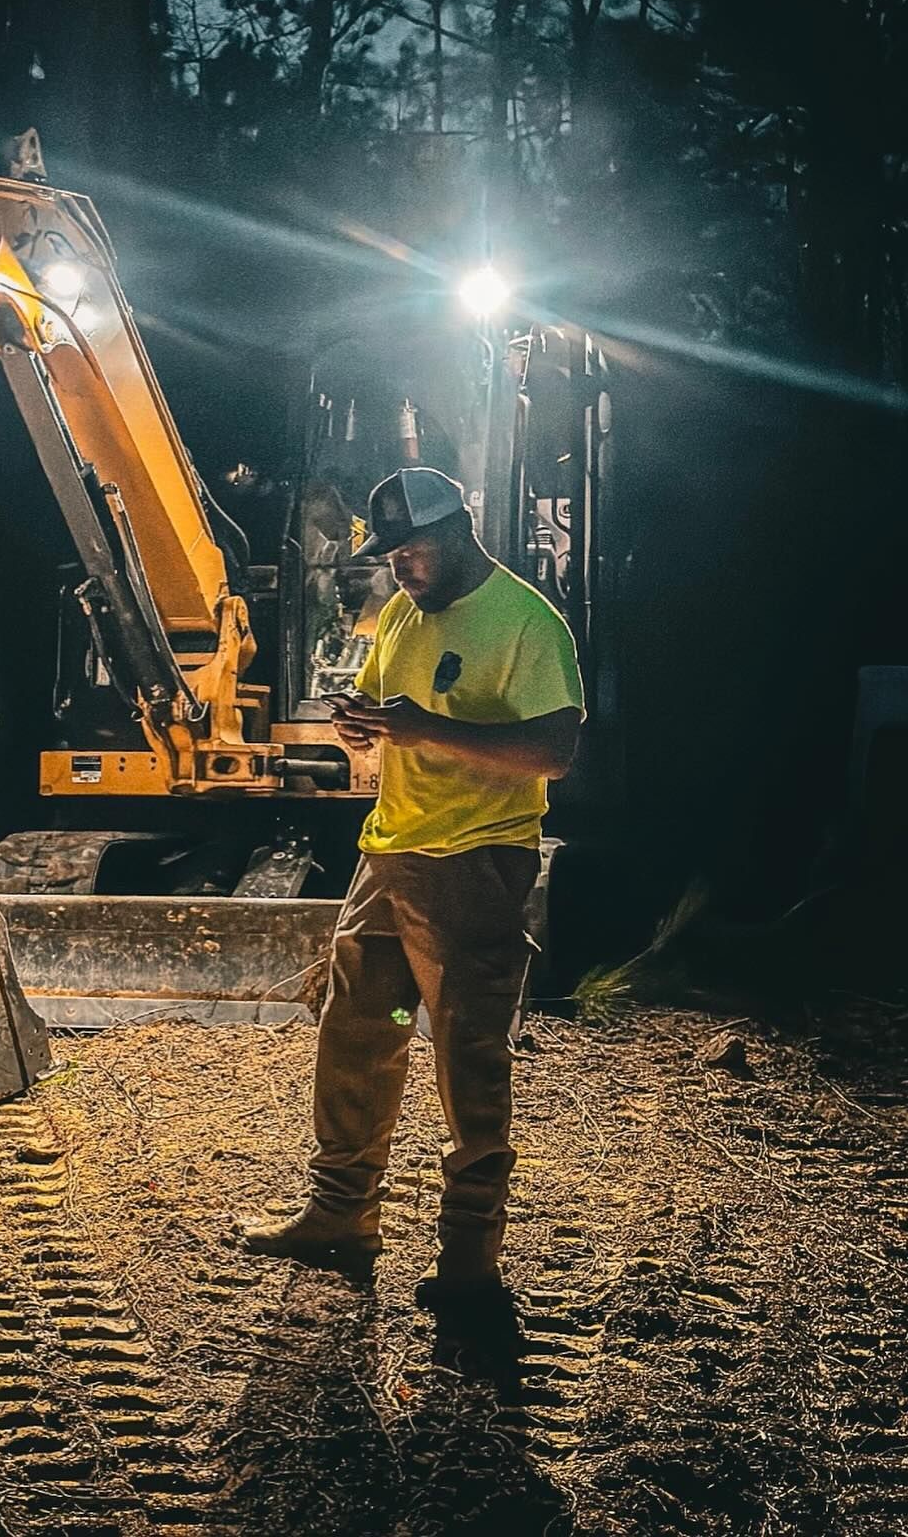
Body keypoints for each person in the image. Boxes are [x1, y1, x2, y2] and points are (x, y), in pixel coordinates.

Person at [241, 467, 584, 1371]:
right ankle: (341, 1212)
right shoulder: (399, 612)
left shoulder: (526, 623)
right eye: (390, 555)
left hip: (474, 865)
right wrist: (364, 729)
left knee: (467, 1054)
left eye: (414, 550)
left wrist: (421, 727)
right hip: (388, 855)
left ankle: (471, 1257)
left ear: (463, 528)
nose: (402, 568)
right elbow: (392, 718)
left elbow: (553, 752)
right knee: (355, 1032)